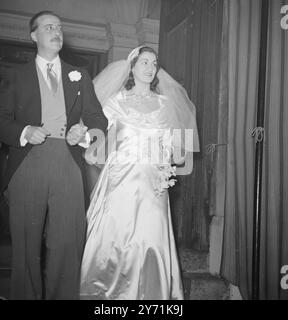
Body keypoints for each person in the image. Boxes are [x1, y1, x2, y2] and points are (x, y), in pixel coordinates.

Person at [0, 11, 107, 299]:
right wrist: (25, 130)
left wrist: (85, 133)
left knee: (68, 242)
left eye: (60, 27)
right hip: (28, 161)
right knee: (26, 246)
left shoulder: (80, 75)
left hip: (68, 163)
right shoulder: (15, 76)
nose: (57, 31)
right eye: (49, 26)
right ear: (34, 36)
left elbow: (97, 119)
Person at [80, 46, 200, 299]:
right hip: (119, 182)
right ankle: (105, 297)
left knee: (151, 242)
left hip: (152, 185)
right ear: (132, 67)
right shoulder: (116, 102)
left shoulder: (165, 104)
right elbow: (94, 134)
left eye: (153, 62)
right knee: (115, 241)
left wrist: (167, 165)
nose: (149, 67)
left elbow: (175, 147)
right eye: (144, 62)